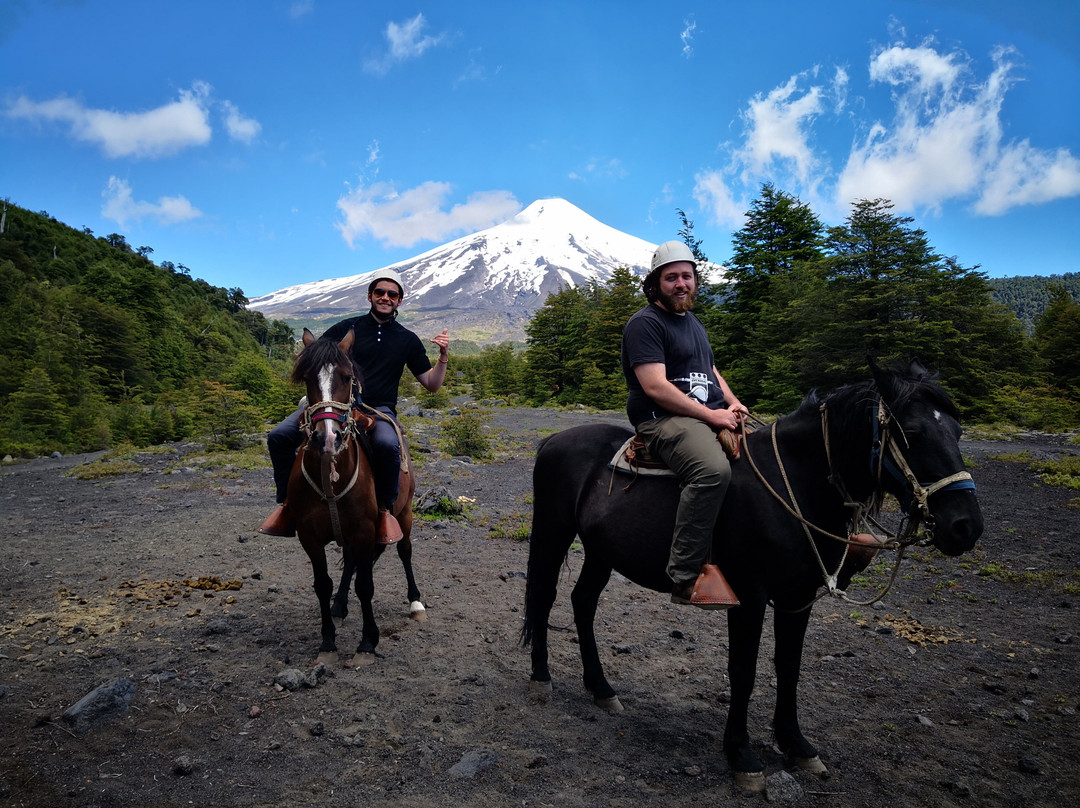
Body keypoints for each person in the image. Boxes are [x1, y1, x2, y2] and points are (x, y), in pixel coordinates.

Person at [257, 269, 450, 543]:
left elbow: (431, 384)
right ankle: (287, 505)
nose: (385, 297)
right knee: (277, 436)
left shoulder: (407, 339)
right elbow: (317, 356)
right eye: (380, 292)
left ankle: (384, 510)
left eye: (392, 294)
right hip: (334, 405)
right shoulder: (347, 328)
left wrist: (442, 357)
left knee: (387, 445)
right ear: (370, 296)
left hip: (378, 409)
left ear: (400, 301)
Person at [620, 241, 747, 608]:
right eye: (671, 277)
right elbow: (655, 387)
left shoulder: (692, 322)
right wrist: (712, 415)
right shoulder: (645, 323)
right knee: (711, 471)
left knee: (766, 458)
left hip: (703, 412)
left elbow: (709, 371)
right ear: (656, 282)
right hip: (662, 419)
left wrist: (732, 402)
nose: (680, 284)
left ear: (695, 280)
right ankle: (685, 576)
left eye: (686, 277)